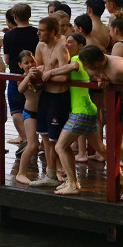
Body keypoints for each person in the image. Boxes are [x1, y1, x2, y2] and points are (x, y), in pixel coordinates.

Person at [79, 45, 123, 201]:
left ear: (97, 63)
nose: (84, 68)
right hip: (116, 100)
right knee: (113, 139)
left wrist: (111, 80)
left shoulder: (118, 69)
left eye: (86, 65)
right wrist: (99, 79)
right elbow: (91, 74)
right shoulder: (98, 65)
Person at [43, 34, 107, 194]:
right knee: (100, 148)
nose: (67, 45)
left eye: (70, 42)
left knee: (60, 146)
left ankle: (72, 184)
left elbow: (72, 68)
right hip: (88, 109)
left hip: (81, 112)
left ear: (80, 45)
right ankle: (120, 177)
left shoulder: (78, 59)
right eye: (66, 42)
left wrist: (50, 73)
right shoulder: (82, 61)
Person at [29, 17, 70, 187]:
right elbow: (40, 67)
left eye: (41, 30)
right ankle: (50, 173)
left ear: (52, 32)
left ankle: (68, 176)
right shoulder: (40, 46)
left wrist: (50, 73)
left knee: (58, 139)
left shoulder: (62, 49)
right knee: (45, 136)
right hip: (45, 95)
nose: (38, 33)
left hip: (58, 98)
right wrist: (35, 72)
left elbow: (65, 76)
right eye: (38, 29)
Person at [4, 3, 38, 151]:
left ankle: (25, 139)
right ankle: (35, 140)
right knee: (34, 109)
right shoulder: (37, 33)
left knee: (16, 109)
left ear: (15, 17)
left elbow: (6, 59)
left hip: (15, 77)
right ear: (29, 15)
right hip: (34, 75)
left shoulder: (9, 35)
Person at [14, 51, 43, 184]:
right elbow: (20, 89)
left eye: (32, 61)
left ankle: (56, 171)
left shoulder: (40, 73)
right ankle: (21, 173)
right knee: (32, 145)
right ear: (20, 65)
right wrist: (28, 76)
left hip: (43, 113)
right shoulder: (22, 78)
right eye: (26, 63)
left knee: (49, 144)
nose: (30, 64)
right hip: (30, 113)